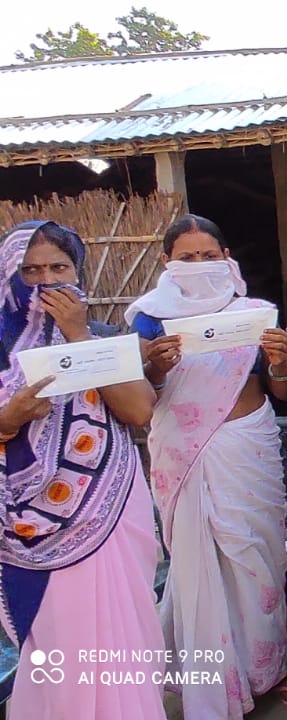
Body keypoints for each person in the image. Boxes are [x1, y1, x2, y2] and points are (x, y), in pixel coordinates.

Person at [128, 214, 287, 715]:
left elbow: (283, 390)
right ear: (166, 262)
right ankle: (212, 685)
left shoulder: (253, 313)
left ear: (227, 258)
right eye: (186, 257)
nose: (199, 264)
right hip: (183, 452)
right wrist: (154, 368)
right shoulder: (147, 318)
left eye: (209, 256)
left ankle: (268, 671)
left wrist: (282, 361)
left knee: (258, 563)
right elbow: (142, 399)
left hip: (247, 446)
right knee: (198, 570)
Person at [0, 221, 164, 719]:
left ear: (78, 273)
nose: (46, 281)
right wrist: (9, 419)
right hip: (26, 528)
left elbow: (139, 410)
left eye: (59, 268)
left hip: (107, 511)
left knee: (121, 638)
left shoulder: (102, 337)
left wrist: (78, 335)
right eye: (30, 271)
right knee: (59, 649)